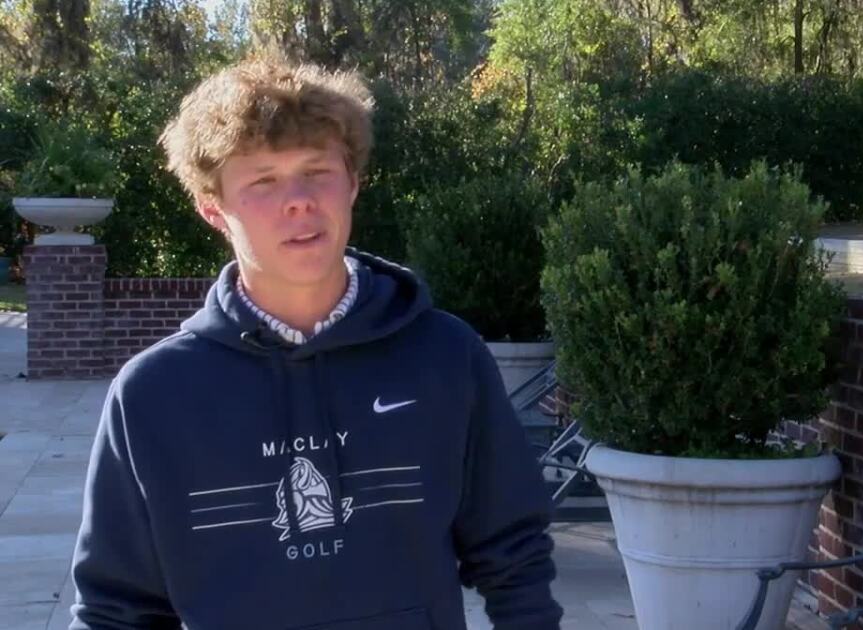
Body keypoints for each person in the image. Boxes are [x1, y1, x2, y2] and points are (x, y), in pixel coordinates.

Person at [67, 55, 563, 630]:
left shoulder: (446, 355)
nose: (299, 199)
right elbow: (114, 611)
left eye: (317, 170)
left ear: (353, 183)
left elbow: (515, 557)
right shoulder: (154, 394)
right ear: (213, 208)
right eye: (263, 180)